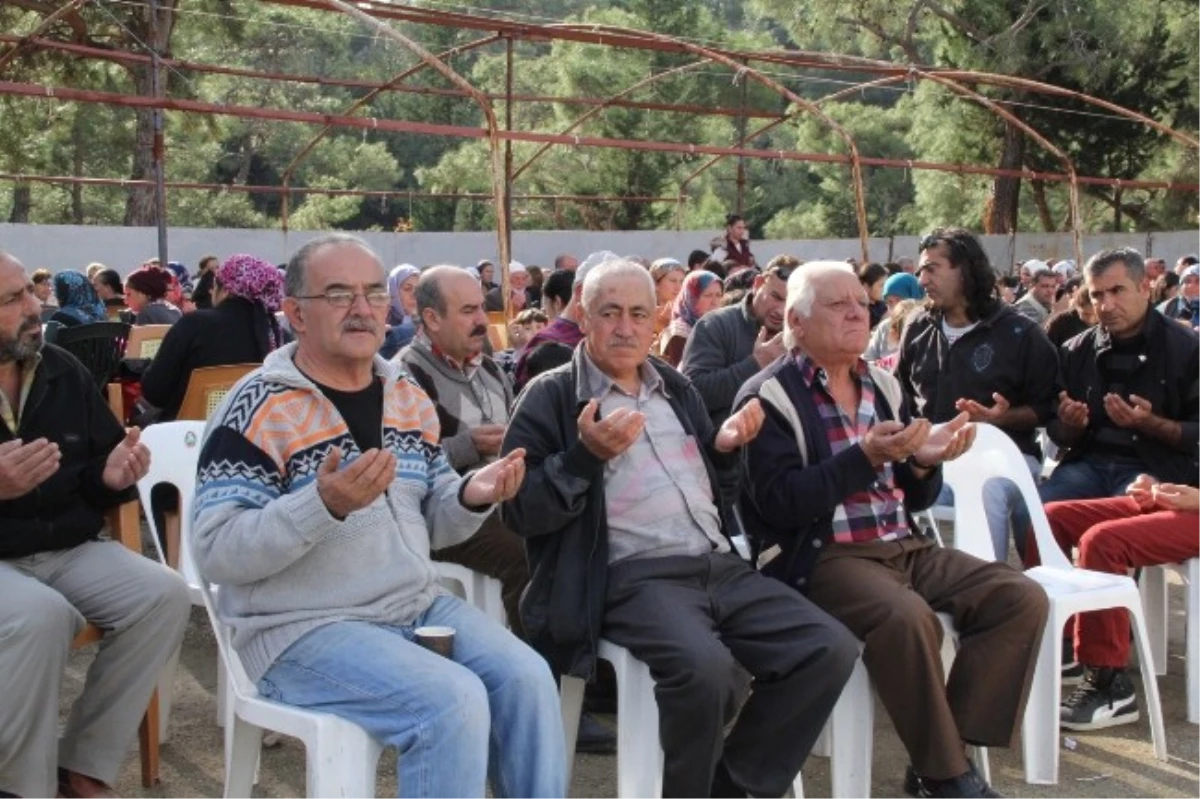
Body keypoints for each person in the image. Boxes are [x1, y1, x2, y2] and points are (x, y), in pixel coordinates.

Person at [191, 233, 566, 799]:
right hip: (299, 629)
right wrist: (321, 506)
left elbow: (434, 515)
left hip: (411, 606)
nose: (363, 309)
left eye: (372, 293)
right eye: (339, 295)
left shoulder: (404, 394)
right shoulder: (259, 406)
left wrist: (473, 493)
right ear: (295, 313)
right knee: (451, 702)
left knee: (529, 678)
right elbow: (217, 551)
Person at [502, 257, 857, 799]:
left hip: (716, 562)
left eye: (639, 314)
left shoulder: (675, 388)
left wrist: (726, 449)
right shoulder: (552, 395)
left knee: (828, 647)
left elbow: (721, 492)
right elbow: (520, 511)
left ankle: (731, 787)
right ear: (584, 314)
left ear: (657, 319)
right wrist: (582, 459)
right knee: (706, 670)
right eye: (610, 312)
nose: (625, 327)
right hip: (631, 575)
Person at [737, 261, 1049, 799]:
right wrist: (863, 457)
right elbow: (778, 505)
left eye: (861, 302)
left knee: (1018, 596)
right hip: (822, 556)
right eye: (839, 306)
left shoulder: (883, 384)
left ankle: (948, 753)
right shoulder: (768, 396)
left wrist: (925, 463)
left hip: (905, 545)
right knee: (908, 618)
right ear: (797, 320)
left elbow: (915, 493)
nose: (858, 313)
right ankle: (946, 776)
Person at [398, 267, 615, 754]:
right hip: (446, 508)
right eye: (469, 311)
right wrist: (466, 445)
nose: (483, 320)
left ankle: (591, 676)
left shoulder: (491, 367)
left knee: (586, 522)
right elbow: (406, 464)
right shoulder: (405, 377)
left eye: (482, 307)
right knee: (528, 550)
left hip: (505, 491)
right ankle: (549, 697)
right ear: (431, 318)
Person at [0, 251, 190, 799]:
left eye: (29, 294)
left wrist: (113, 474)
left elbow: (99, 469)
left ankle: (81, 765)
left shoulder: (61, 369)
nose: (35, 307)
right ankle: (21, 785)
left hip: (65, 546)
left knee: (162, 594)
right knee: (40, 616)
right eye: (13, 299)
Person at [898, 228, 1059, 560]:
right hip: (933, 461)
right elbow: (900, 395)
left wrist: (1002, 418)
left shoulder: (1020, 333)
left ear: (965, 270)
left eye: (932, 268)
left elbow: (1048, 408)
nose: (922, 279)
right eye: (920, 271)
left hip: (1007, 462)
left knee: (985, 490)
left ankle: (988, 593)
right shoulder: (917, 327)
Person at [1041, 248, 1200, 504]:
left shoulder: (1187, 349)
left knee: (1122, 518)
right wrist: (1070, 424)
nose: (1106, 305)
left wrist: (1150, 423)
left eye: (1117, 291)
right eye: (1097, 295)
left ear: (1144, 288)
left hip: (1155, 469)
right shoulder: (1075, 351)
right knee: (1036, 514)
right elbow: (1056, 434)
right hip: (1087, 465)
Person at [140, 254, 285, 422]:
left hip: (188, 436)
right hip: (251, 436)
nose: (210, 290)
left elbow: (155, 392)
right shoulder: (276, 335)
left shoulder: (194, 324)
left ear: (226, 290)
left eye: (214, 284)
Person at [680, 255, 795, 427]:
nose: (781, 310)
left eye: (791, 302)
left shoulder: (801, 333)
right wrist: (757, 363)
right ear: (757, 284)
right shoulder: (715, 325)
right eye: (776, 297)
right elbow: (693, 394)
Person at [658, 269, 722, 367]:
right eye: (708, 295)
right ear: (691, 298)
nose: (714, 302)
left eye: (718, 295)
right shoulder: (678, 334)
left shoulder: (719, 326)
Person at [379, 263, 419, 360]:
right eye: (407, 289)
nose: (414, 295)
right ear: (394, 291)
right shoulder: (380, 320)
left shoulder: (428, 324)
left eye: (418, 289)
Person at [649, 257, 686, 336]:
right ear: (655, 284)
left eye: (682, 281)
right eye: (673, 281)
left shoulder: (687, 315)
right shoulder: (645, 316)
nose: (678, 287)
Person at [858, 261, 890, 329]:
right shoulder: (859, 310)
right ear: (866, 286)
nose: (885, 289)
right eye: (881, 285)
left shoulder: (883, 306)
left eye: (886, 285)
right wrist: (883, 321)